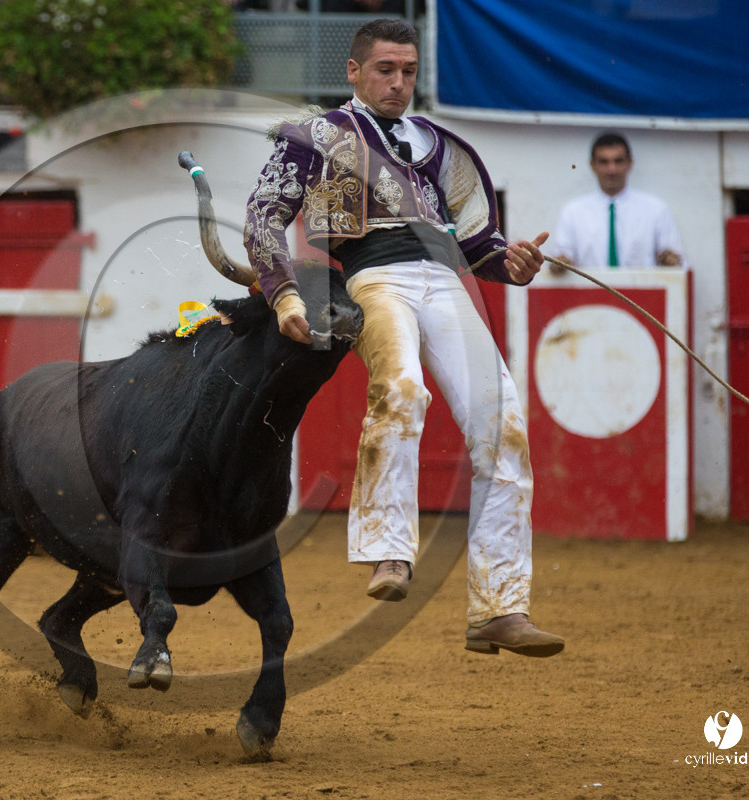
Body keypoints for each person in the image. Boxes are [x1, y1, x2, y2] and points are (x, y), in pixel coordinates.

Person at [242, 18, 563, 656]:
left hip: (446, 281)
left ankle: (500, 607)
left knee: (504, 423)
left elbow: (481, 243)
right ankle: (389, 550)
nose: (398, 83)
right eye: (385, 70)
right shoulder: (316, 135)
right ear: (355, 72)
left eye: (408, 71)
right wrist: (283, 293)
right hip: (376, 276)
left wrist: (514, 264)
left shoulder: (440, 145)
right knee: (402, 389)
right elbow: (263, 214)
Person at [548, 132, 685, 268]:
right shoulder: (572, 212)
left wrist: (671, 260)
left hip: (642, 283)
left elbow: (678, 265)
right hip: (588, 284)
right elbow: (559, 261)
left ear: (630, 163)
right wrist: (559, 264)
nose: (611, 170)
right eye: (604, 162)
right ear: (592, 165)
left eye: (618, 161)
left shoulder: (656, 209)